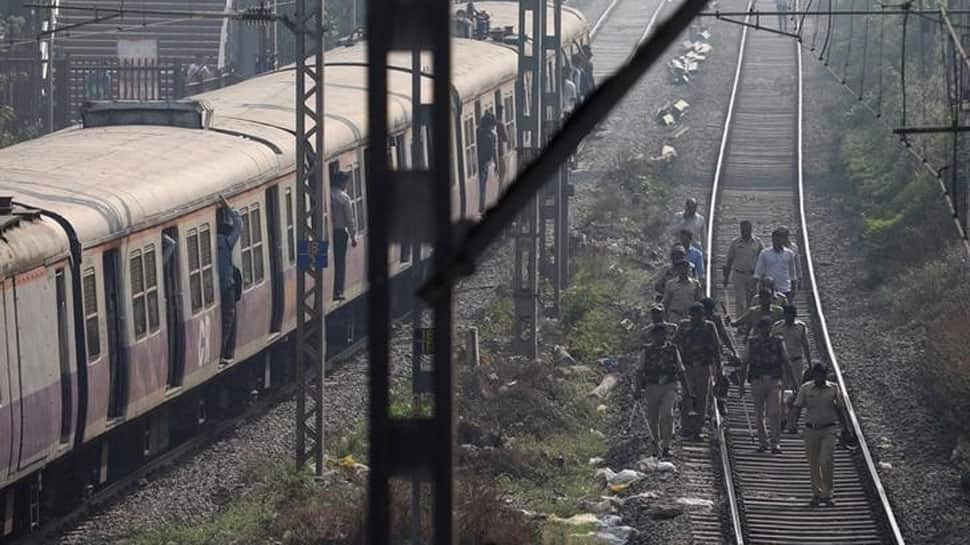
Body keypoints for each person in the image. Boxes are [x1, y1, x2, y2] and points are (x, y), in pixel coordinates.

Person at [788, 364, 850, 507]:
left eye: (821, 375)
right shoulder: (806, 388)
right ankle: (817, 493)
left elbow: (840, 409)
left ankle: (827, 493)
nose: (819, 378)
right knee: (813, 463)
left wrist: (846, 428)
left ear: (825, 375)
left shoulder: (833, 388)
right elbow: (797, 406)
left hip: (830, 429)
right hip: (811, 430)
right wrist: (792, 423)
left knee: (825, 460)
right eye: (816, 375)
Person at [740, 316, 794, 453]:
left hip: (774, 380)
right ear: (758, 328)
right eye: (762, 327)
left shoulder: (778, 342)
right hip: (757, 380)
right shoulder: (752, 343)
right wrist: (741, 384)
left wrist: (794, 382)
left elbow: (786, 362)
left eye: (767, 327)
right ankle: (763, 442)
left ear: (771, 328)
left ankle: (775, 443)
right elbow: (744, 363)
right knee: (759, 413)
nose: (765, 329)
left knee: (774, 412)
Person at [638, 325, 693, 458]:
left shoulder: (673, 350)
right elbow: (639, 371)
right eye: (656, 335)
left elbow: (681, 370)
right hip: (652, 387)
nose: (660, 337)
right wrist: (637, 389)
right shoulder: (647, 351)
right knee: (653, 418)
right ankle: (655, 443)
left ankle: (666, 446)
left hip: (669, 386)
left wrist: (688, 390)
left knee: (667, 415)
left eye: (662, 334)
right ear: (653, 336)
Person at [674, 303, 722, 439]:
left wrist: (719, 369)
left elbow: (716, 348)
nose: (696, 318)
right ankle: (686, 427)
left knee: (702, 398)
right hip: (687, 366)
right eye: (694, 315)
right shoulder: (683, 325)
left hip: (703, 366)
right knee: (686, 397)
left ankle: (698, 428)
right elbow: (674, 343)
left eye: (699, 315)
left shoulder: (709, 326)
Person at [217, 197, 242, 364]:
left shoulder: (212, 243)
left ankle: (221, 353)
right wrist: (229, 207)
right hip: (226, 286)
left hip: (212, 289)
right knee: (228, 320)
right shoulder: (226, 243)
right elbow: (239, 225)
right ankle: (224, 352)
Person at [722, 220, 763, 312]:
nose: (744, 232)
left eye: (746, 230)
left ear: (751, 229)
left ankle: (750, 321)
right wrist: (726, 278)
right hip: (739, 275)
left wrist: (761, 275)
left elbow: (763, 258)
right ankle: (740, 322)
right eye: (742, 230)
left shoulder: (758, 242)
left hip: (753, 275)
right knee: (740, 300)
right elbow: (729, 260)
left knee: (752, 300)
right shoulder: (735, 242)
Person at [331, 170, 358, 301]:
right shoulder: (344, 197)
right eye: (345, 182)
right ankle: (338, 291)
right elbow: (349, 219)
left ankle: (330, 289)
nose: (346, 184)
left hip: (328, 233)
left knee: (331, 261)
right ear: (341, 182)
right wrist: (353, 237)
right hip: (340, 233)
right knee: (340, 262)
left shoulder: (328, 194)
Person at [772, 304, 812, 386]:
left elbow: (805, 345)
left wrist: (809, 363)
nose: (789, 317)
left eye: (791, 315)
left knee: (797, 385)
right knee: (782, 386)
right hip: (781, 362)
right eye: (787, 315)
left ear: (795, 315)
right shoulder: (777, 327)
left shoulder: (801, 327)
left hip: (796, 361)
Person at [754, 229, 798, 302]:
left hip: (785, 288)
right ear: (772, 239)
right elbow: (758, 271)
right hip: (769, 290)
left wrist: (794, 287)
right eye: (775, 240)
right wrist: (757, 287)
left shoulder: (789, 253)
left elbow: (792, 272)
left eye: (779, 240)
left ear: (783, 240)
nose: (777, 242)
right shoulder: (765, 253)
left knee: (786, 311)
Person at [701, 297, 737, 362]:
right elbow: (724, 335)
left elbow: (724, 335)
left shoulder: (694, 320)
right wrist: (733, 351)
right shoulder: (715, 318)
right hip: (712, 350)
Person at [476, 111, 497, 212]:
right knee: (482, 186)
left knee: (482, 185)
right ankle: (481, 207)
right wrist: (495, 163)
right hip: (483, 163)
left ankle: (481, 206)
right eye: (492, 125)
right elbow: (493, 151)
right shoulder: (491, 136)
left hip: (481, 163)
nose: (493, 127)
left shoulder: (478, 132)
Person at [494, 104, 509, 187]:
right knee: (503, 171)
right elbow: (506, 138)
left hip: (492, 155)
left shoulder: (493, 123)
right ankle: (500, 189)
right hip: (500, 152)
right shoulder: (500, 124)